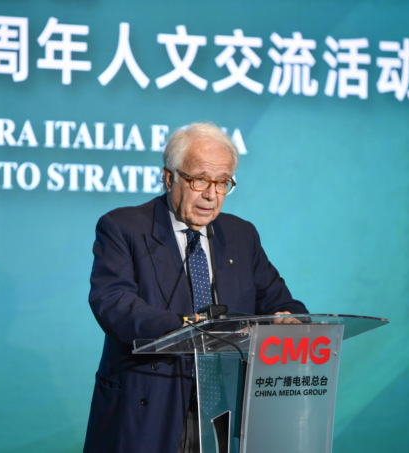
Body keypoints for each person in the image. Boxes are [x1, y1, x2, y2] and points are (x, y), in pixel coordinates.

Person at [83, 122, 308, 453]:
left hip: (223, 408)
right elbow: (114, 303)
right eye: (200, 179)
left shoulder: (241, 235)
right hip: (148, 405)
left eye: (223, 182)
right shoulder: (123, 228)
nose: (211, 195)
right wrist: (189, 328)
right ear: (169, 177)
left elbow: (281, 303)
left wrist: (289, 321)